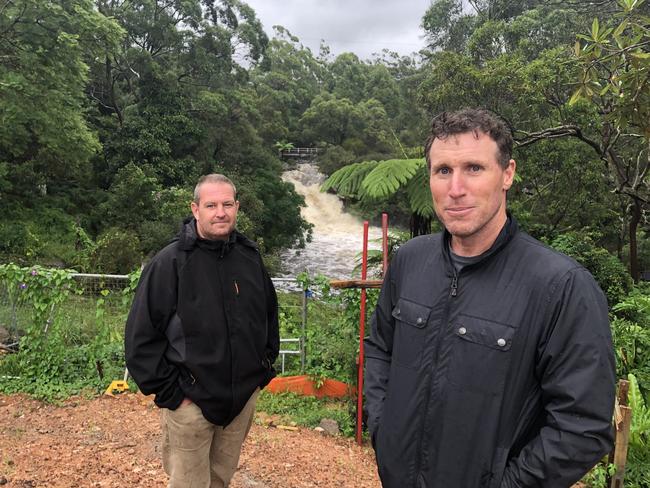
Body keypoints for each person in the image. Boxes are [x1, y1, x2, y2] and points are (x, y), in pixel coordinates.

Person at [364, 108, 616, 488]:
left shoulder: (560, 286)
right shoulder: (410, 261)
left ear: (508, 174)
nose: (456, 188)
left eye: (474, 168)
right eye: (443, 170)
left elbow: (583, 426)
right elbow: (380, 348)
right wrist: (383, 429)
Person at [125, 173, 279, 488]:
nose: (220, 212)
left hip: (239, 402)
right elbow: (141, 339)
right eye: (211, 205)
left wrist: (261, 371)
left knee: (220, 480)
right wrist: (173, 394)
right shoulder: (170, 262)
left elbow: (268, 314)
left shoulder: (249, 257)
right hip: (190, 404)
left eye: (226, 204)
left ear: (237, 207)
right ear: (195, 209)